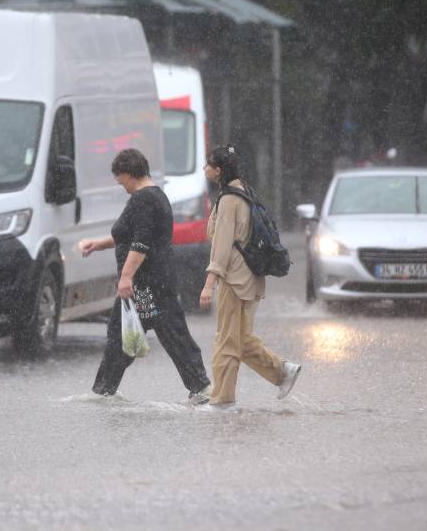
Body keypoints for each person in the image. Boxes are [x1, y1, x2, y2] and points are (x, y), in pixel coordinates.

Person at [81, 148, 212, 403]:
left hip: (146, 284)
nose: (122, 186)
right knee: (134, 334)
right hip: (150, 284)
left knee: (164, 333)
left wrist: (126, 277)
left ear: (130, 174)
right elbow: (128, 235)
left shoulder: (143, 199)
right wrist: (99, 244)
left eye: (121, 180)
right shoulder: (156, 196)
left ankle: (201, 387)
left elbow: (141, 243)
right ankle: (104, 391)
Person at [199, 145, 302, 408]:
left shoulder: (229, 199)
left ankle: (222, 400)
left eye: (208, 165)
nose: (204, 169)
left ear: (218, 170)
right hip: (251, 277)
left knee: (226, 341)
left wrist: (209, 284)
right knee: (240, 340)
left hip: (235, 280)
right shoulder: (244, 190)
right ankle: (283, 371)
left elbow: (221, 246)